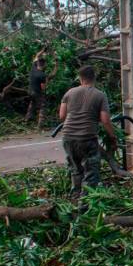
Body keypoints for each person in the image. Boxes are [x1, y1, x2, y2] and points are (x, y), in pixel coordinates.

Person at [59, 65, 118, 200]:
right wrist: (112, 136)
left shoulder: (69, 93)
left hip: (67, 137)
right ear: (94, 78)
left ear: (80, 78)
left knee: (75, 169)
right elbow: (105, 120)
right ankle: (85, 205)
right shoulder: (100, 95)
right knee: (91, 172)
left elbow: (62, 116)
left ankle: (74, 199)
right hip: (87, 138)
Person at [25, 58, 47, 128]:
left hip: (29, 91)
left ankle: (26, 121)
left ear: (37, 63)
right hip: (37, 92)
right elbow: (43, 87)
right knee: (42, 106)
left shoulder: (33, 69)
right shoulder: (42, 75)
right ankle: (40, 126)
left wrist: (43, 50)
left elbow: (36, 56)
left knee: (32, 104)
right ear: (44, 65)